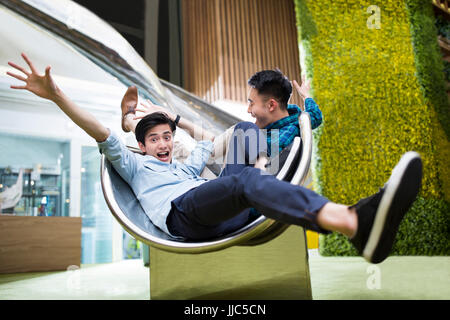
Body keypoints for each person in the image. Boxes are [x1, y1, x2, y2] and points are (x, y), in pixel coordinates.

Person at [7, 53, 423, 264]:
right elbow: (100, 133)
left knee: (244, 131)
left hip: (220, 205)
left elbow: (213, 140)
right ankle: (353, 222)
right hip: (184, 216)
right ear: (143, 145)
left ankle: (264, 186)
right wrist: (58, 95)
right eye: (154, 139)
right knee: (241, 177)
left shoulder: (185, 162)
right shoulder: (134, 165)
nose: (164, 144)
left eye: (167, 136)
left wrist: (182, 124)